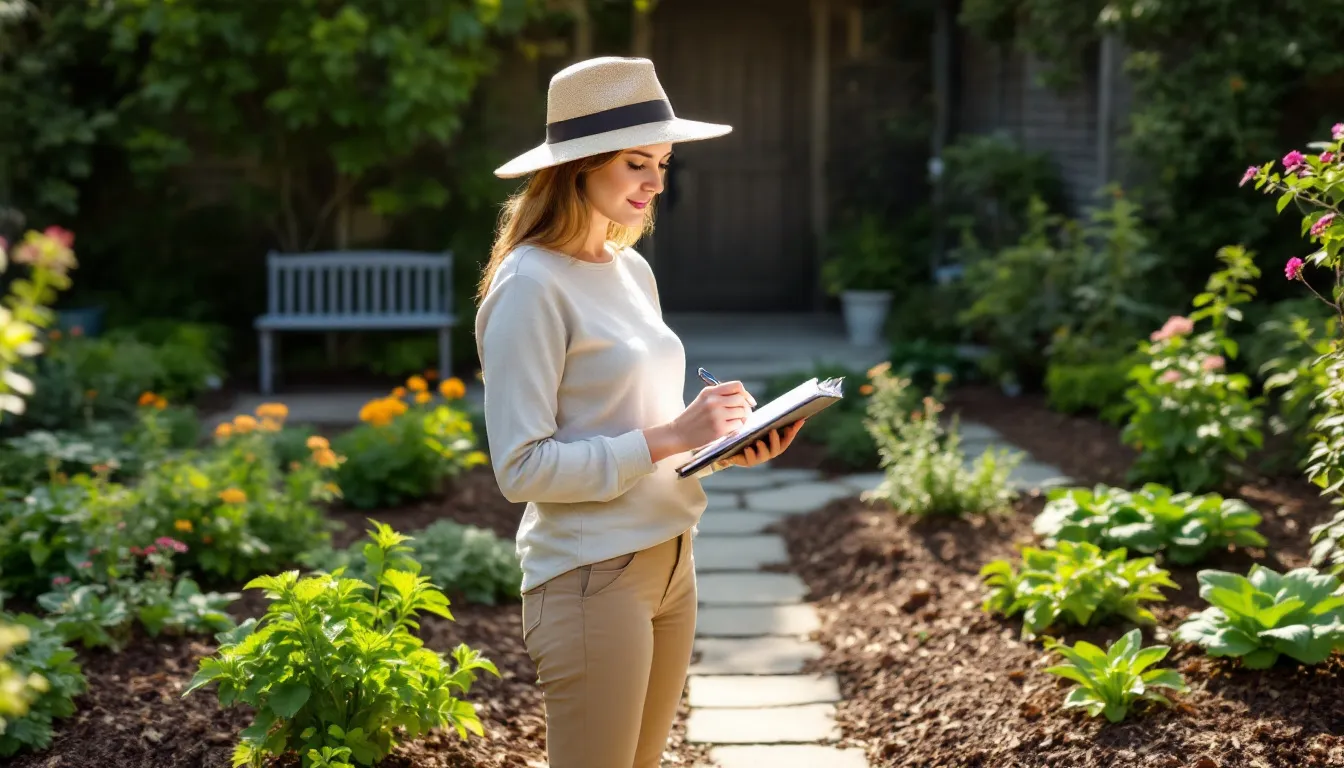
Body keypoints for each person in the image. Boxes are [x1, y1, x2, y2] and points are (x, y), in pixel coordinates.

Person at [473, 57, 807, 768]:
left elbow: (635, 432)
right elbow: (521, 467)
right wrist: (671, 434)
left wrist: (720, 445)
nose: (656, 182)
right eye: (636, 163)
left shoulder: (630, 269)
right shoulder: (529, 286)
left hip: (672, 561)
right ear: (579, 167)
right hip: (591, 577)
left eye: (662, 162)